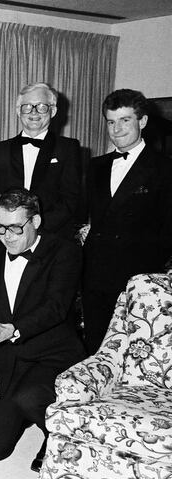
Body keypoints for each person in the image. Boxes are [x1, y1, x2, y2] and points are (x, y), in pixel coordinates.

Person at [0, 188, 84, 473]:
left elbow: (55, 308)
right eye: (1, 228)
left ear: (36, 221)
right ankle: (25, 410)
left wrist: (12, 330)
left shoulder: (65, 251)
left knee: (29, 397)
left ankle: (56, 433)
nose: (7, 236)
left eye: (16, 227)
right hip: (6, 359)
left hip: (50, 354)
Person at [82, 89, 172, 354]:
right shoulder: (95, 166)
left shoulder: (164, 169)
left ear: (142, 122)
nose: (117, 129)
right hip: (95, 274)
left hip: (137, 277)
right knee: (96, 348)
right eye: (111, 121)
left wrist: (147, 269)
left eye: (125, 120)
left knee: (133, 351)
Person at [0, 82, 82, 240]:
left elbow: (70, 200)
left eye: (41, 106)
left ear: (53, 111)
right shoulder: (0, 149)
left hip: (50, 238)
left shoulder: (68, 148)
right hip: (5, 238)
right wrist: (8, 228)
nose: (34, 112)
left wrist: (33, 229)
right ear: (18, 111)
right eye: (27, 106)